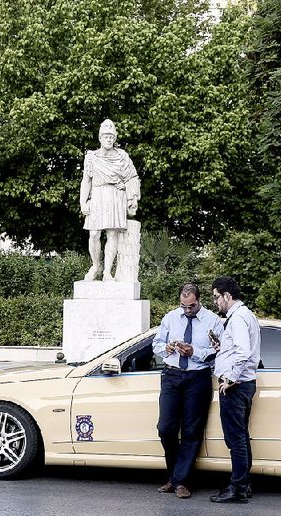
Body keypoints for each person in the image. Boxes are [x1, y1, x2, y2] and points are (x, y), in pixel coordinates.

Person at [152, 283, 224, 499]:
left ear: (198, 300)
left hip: (197, 377)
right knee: (166, 428)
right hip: (172, 375)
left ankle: (180, 482)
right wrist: (165, 348)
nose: (187, 310)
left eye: (191, 306)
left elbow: (218, 350)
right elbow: (156, 344)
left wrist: (194, 352)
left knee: (192, 431)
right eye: (183, 306)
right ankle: (174, 476)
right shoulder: (171, 318)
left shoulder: (213, 320)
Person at [209, 276, 261, 504]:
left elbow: (244, 352)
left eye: (216, 297)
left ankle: (238, 488)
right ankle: (244, 485)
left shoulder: (238, 318)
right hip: (244, 384)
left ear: (227, 296)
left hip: (236, 387)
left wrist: (230, 378)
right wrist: (221, 348)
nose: (215, 302)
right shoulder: (244, 315)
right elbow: (238, 349)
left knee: (235, 439)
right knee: (241, 437)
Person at [80, 119, 140, 281]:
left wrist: (131, 197)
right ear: (100, 138)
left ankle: (107, 271)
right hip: (98, 195)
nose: (108, 139)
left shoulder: (122, 157)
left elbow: (132, 177)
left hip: (115, 195)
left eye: (111, 137)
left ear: (114, 139)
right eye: (105, 136)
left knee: (112, 234)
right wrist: (83, 202)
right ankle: (95, 266)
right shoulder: (91, 157)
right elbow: (86, 181)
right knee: (94, 234)